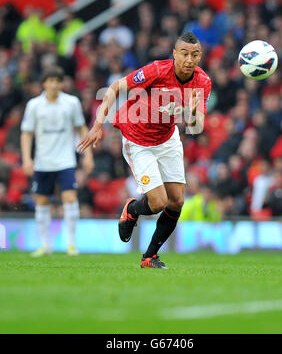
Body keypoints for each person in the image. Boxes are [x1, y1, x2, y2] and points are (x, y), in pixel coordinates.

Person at [77, 32, 211, 269]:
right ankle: (132, 209)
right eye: (184, 54)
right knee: (158, 202)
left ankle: (149, 256)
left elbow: (195, 126)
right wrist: (98, 124)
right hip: (138, 140)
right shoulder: (157, 71)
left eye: (195, 54)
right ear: (174, 54)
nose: (189, 60)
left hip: (167, 139)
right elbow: (116, 87)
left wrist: (188, 110)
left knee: (177, 201)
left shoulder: (203, 82)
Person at [21, 66, 94, 257]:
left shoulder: (71, 103)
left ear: (62, 83)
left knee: (70, 198)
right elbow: (27, 134)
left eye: (57, 80)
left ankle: (71, 244)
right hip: (43, 161)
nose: (54, 84)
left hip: (65, 160)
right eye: (50, 80)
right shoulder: (34, 105)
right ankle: (45, 245)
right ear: (44, 83)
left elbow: (81, 129)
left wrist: (88, 155)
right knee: (42, 201)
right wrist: (27, 159)